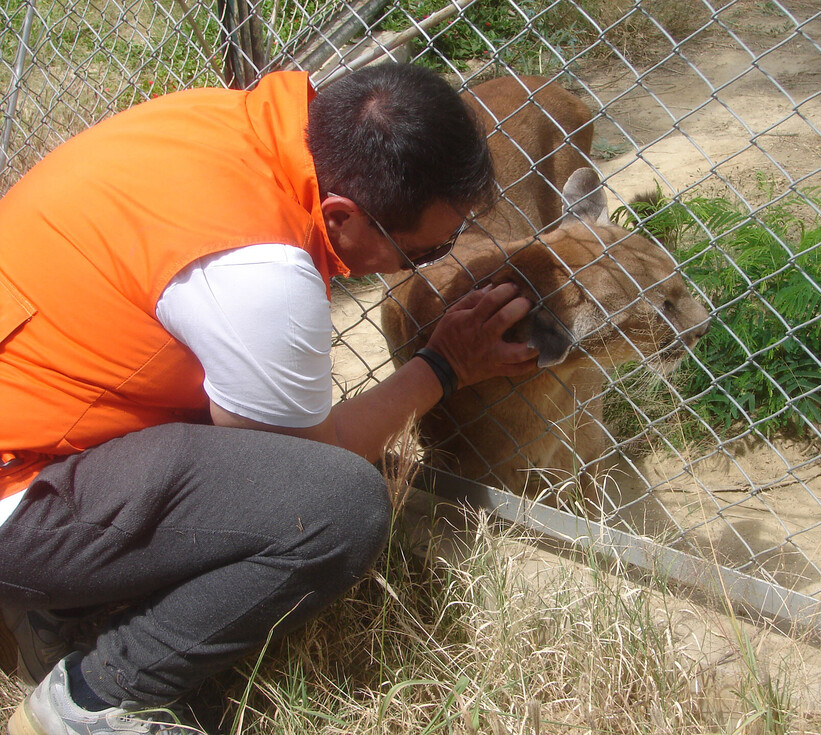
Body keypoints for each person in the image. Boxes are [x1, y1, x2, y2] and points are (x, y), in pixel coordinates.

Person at [0, 62, 538, 735]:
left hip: (29, 413)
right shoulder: (261, 273)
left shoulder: (230, 123)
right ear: (342, 217)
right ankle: (91, 696)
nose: (435, 261)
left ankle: (59, 601)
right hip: (18, 486)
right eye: (428, 250)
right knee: (338, 506)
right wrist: (443, 365)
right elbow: (314, 469)